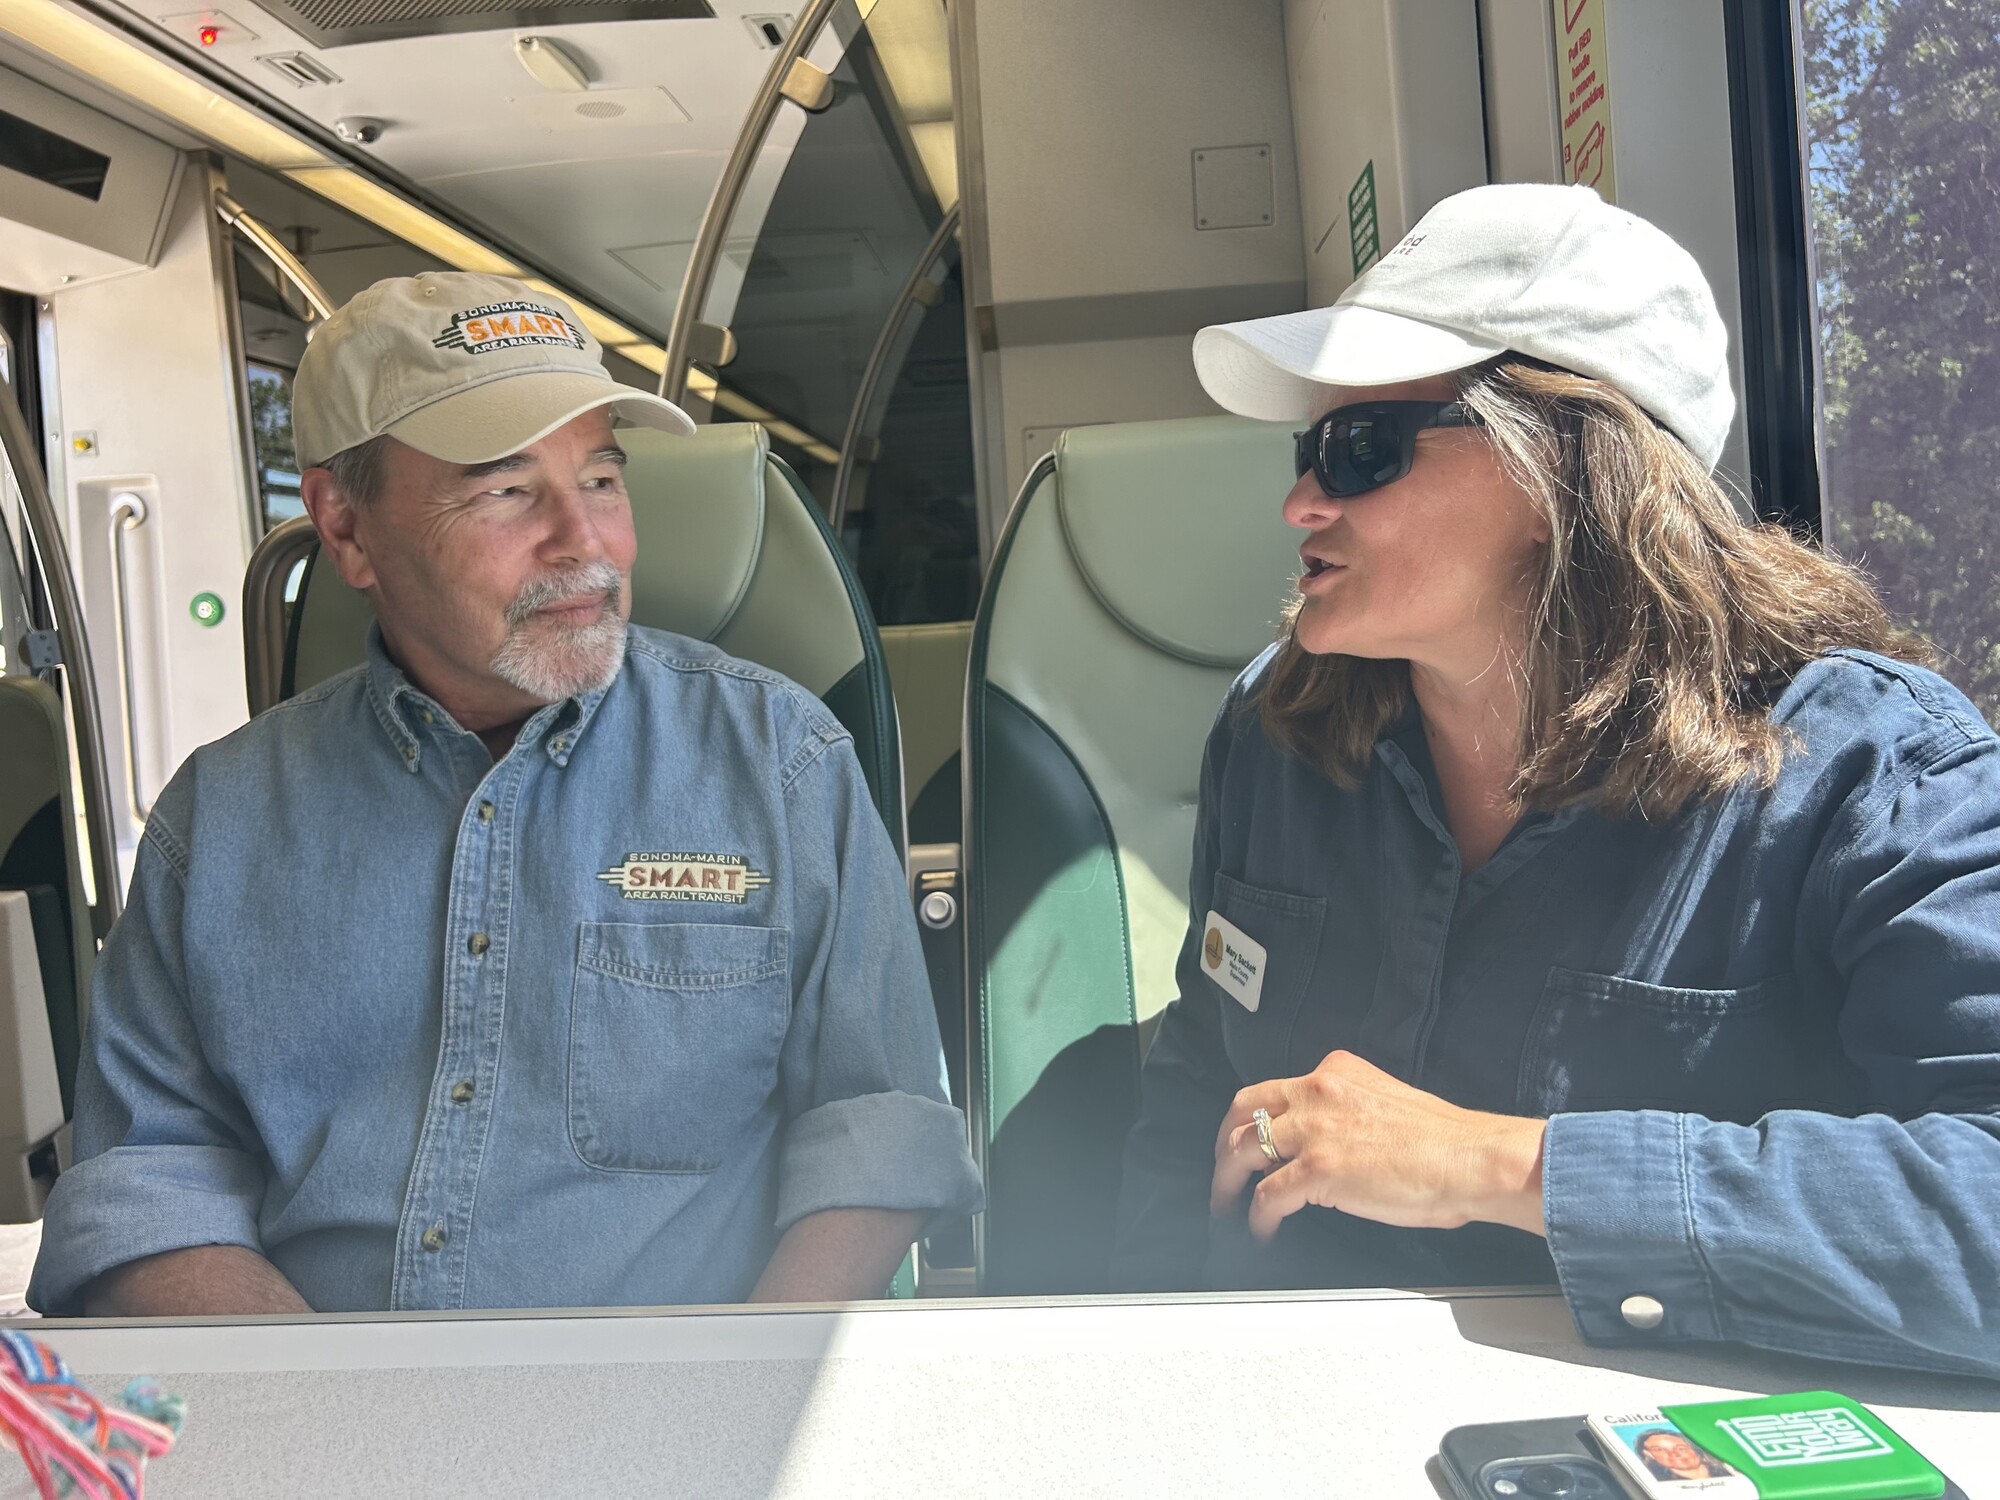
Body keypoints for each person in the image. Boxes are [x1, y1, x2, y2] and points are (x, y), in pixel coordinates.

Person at [1111, 183, 2000, 1378]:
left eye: (1356, 448)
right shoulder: (1276, 733)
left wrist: (1492, 1165)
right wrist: (1147, 1356)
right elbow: (1201, 1072)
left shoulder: (1869, 774)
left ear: (1556, 474)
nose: (1299, 501)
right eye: (1304, 451)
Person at [30, 272, 981, 1316]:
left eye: (603, 481)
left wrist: (721, 1421)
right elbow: (150, 1181)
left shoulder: (779, 759)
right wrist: (341, 1430)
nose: (585, 543)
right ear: (345, 528)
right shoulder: (220, 820)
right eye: (507, 491)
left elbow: (877, 1134)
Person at [1636, 1430, 1730, 1482]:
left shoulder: (1731, 1468)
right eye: (1659, 1450)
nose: (1674, 1454)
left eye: (1681, 1448)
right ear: (1648, 1454)